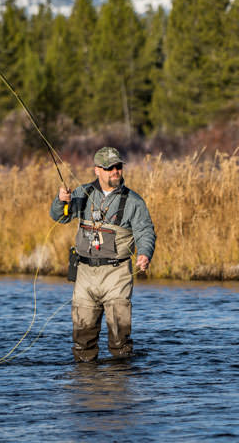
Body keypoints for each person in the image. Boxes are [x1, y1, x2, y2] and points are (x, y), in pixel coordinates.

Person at [49, 146, 156, 361]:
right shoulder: (81, 193)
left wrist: (145, 254)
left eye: (118, 167)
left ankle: (120, 384)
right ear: (97, 170)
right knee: (82, 341)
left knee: (119, 340)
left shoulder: (134, 201)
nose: (115, 171)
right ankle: (87, 387)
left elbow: (145, 231)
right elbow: (60, 217)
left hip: (117, 274)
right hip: (85, 274)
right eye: (109, 168)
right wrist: (61, 201)